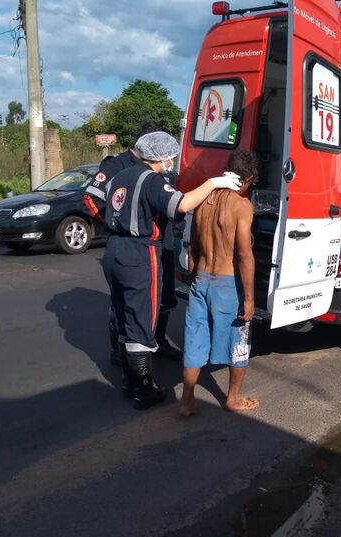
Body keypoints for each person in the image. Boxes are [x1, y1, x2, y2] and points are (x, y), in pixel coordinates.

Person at [102, 131, 241, 410]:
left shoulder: (121, 177)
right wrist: (215, 182)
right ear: (162, 156)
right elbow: (183, 203)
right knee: (142, 322)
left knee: (126, 315)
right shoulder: (150, 179)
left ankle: (130, 383)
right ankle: (144, 391)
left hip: (113, 251)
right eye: (171, 157)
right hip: (139, 253)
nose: (172, 162)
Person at [82, 124, 182, 362]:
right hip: (133, 245)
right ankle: (120, 348)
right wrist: (115, 222)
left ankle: (158, 339)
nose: (169, 159)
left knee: (165, 296)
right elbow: (91, 197)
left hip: (162, 243)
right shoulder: (116, 166)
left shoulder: (162, 167)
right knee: (126, 303)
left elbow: (172, 199)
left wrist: (177, 227)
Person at [179, 149, 259, 417]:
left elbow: (193, 246)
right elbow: (244, 254)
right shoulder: (242, 206)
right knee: (239, 340)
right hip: (227, 285)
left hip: (201, 280)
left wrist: (193, 276)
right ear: (247, 178)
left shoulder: (204, 199)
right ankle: (233, 398)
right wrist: (249, 298)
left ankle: (186, 401)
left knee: (194, 340)